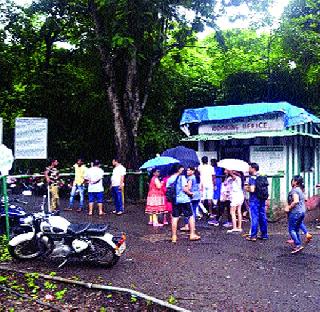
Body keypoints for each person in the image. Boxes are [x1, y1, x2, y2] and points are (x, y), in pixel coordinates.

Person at [166, 164, 200, 243]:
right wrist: (190, 193)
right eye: (181, 168)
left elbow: (168, 189)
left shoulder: (170, 179)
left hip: (175, 200)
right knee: (190, 216)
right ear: (178, 169)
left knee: (175, 217)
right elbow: (185, 189)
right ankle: (192, 234)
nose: (183, 169)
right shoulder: (182, 178)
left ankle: (174, 236)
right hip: (184, 200)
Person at [285, 175, 309, 254]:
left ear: (295, 182)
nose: (291, 181)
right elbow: (305, 199)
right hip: (302, 212)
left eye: (293, 180)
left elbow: (296, 201)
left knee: (291, 229)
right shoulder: (300, 190)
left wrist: (289, 207)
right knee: (296, 229)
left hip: (295, 212)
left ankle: (298, 245)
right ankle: (297, 244)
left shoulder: (295, 190)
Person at [245, 163, 268, 241]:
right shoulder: (262, 176)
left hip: (254, 199)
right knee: (263, 216)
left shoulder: (252, 178)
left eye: (249, 168)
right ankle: (264, 235)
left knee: (254, 217)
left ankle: (253, 235)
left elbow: (252, 189)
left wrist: (246, 187)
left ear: (253, 168)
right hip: (262, 198)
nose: (248, 169)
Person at [180, 166, 201, 231]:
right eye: (187, 170)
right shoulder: (196, 177)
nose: (187, 172)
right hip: (197, 195)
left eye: (189, 170)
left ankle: (188, 226)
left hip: (192, 196)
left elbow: (188, 188)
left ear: (193, 171)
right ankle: (192, 226)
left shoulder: (190, 178)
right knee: (193, 211)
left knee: (189, 211)